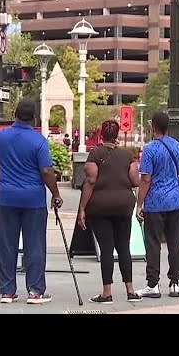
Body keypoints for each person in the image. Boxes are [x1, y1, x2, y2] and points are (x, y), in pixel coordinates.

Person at [0, 98, 64, 305]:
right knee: (34, 244)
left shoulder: (1, 136)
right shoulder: (39, 141)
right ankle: (36, 291)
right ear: (34, 117)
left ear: (15, 114)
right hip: (33, 199)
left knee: (7, 244)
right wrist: (55, 193)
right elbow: (46, 170)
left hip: (7, 197)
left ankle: (7, 291)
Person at [76, 119, 142, 304]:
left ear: (101, 135)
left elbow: (90, 180)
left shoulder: (94, 154)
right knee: (123, 247)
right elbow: (135, 181)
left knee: (106, 249)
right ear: (117, 136)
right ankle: (130, 290)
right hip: (123, 206)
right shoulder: (127, 155)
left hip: (100, 207)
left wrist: (82, 208)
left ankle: (107, 293)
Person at [135, 112, 179, 299]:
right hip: (174, 201)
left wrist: (139, 203)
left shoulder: (150, 150)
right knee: (175, 243)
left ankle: (153, 284)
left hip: (154, 202)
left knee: (153, 243)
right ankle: (174, 282)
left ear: (153, 127)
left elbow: (146, 179)